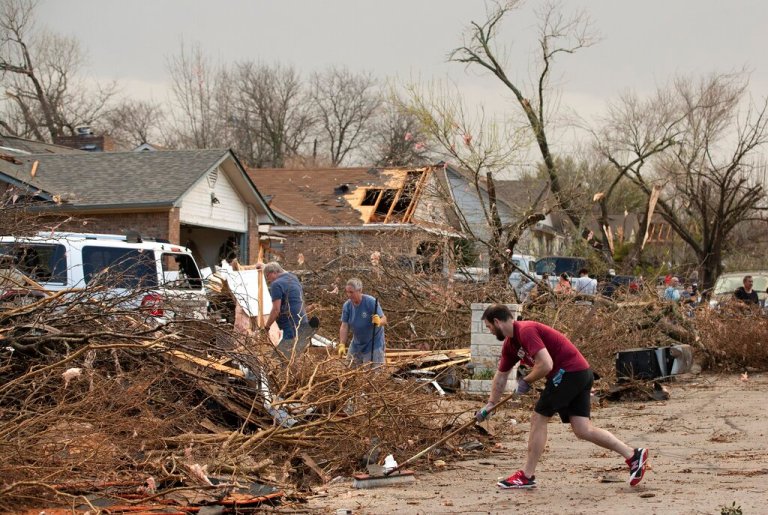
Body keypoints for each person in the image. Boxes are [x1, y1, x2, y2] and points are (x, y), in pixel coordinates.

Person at [475, 304, 648, 489]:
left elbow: (546, 364)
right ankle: (633, 455)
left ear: (497, 322)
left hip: (569, 373)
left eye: (489, 326)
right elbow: (501, 375)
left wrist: (526, 381)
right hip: (579, 373)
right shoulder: (510, 345)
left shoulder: (525, 330)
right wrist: (490, 404)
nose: (490, 331)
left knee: (538, 418)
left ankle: (526, 476)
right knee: (582, 429)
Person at [262, 261, 312, 359]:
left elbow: (276, 310)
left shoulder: (276, 284)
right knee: (293, 356)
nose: (268, 280)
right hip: (302, 321)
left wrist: (267, 327)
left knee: (280, 359)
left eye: (267, 276)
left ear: (273, 273)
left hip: (291, 324)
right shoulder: (293, 277)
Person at [339, 278, 387, 367]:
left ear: (360, 290)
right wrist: (342, 343)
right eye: (347, 292)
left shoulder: (370, 302)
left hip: (373, 343)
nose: (349, 295)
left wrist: (379, 321)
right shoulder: (347, 306)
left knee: (372, 372)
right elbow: (344, 326)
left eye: (351, 292)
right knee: (349, 368)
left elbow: (384, 319)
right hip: (357, 343)